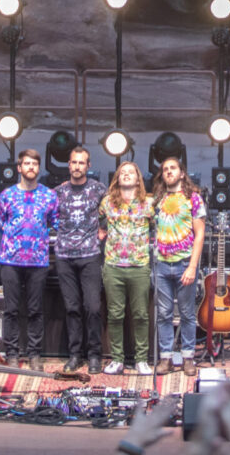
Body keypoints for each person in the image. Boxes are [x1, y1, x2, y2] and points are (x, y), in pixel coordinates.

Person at [0, 149, 57, 372]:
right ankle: (11, 353)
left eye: (35, 164)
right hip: (10, 259)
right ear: (19, 168)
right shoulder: (7, 195)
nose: (31, 167)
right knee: (10, 309)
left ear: (39, 169)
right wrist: (14, 233)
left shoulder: (49, 196)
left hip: (38, 260)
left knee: (35, 309)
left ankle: (34, 354)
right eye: (27, 164)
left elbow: (55, 222)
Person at [53, 145, 107, 374]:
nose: (77, 166)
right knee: (72, 307)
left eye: (81, 163)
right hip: (65, 256)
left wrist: (104, 230)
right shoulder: (58, 192)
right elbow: (47, 217)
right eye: (73, 162)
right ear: (69, 165)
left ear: (88, 165)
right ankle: (75, 355)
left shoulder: (99, 190)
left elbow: (111, 212)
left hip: (90, 255)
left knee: (92, 307)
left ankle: (94, 354)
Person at [99, 160, 154, 375]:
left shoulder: (149, 203)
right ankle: (117, 359)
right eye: (123, 172)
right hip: (113, 265)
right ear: (117, 178)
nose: (127, 175)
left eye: (131, 172)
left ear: (138, 179)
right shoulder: (107, 203)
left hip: (139, 265)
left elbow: (160, 226)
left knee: (141, 314)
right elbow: (94, 221)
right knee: (115, 315)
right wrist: (99, 231)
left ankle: (141, 359)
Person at [151, 156, 205, 377]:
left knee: (187, 314)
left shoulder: (193, 198)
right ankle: (166, 358)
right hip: (161, 264)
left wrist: (193, 266)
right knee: (163, 314)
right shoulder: (158, 199)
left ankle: (188, 358)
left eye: (173, 168)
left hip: (184, 263)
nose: (169, 172)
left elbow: (200, 234)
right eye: (165, 169)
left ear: (182, 173)